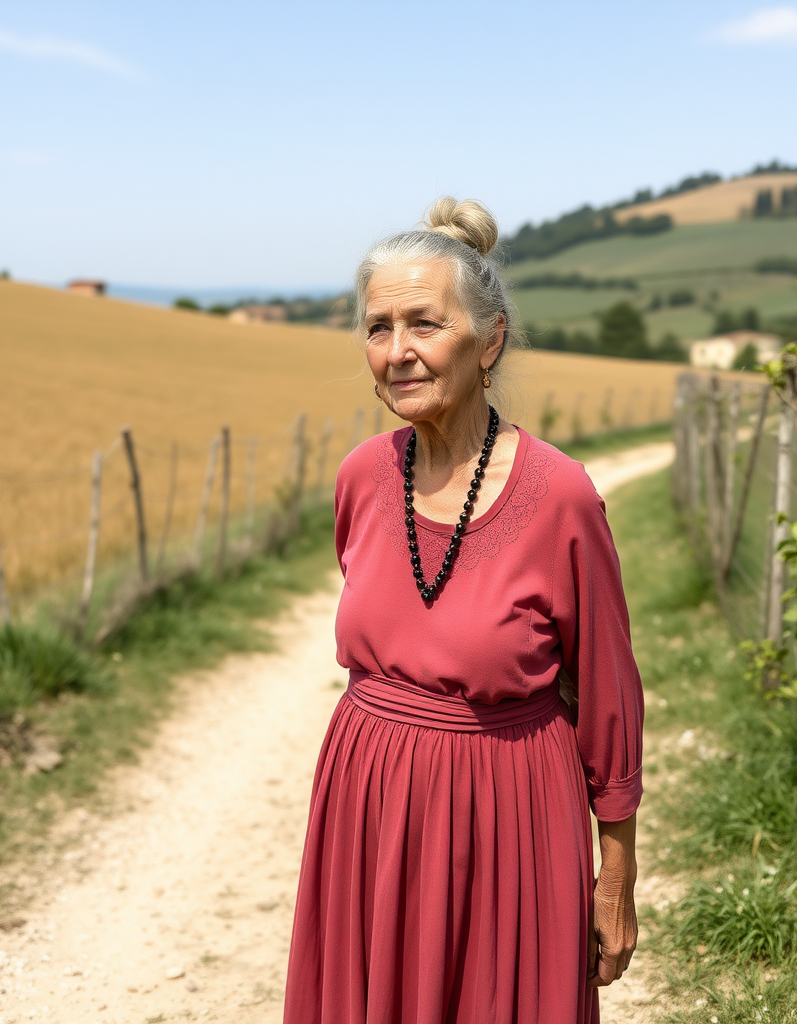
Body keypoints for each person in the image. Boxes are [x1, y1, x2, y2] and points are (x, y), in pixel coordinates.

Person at [284, 198, 643, 1024]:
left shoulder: (562, 497)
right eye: (378, 328)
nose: (398, 353)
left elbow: (611, 699)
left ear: (491, 341)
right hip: (367, 799)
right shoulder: (360, 478)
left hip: (510, 813)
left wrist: (614, 880)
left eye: (424, 324)